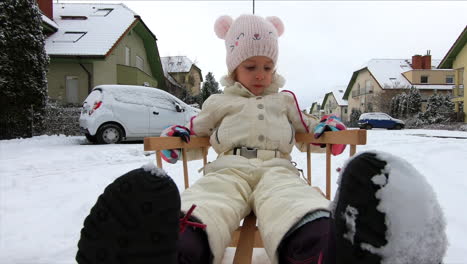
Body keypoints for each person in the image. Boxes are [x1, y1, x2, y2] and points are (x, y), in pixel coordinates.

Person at [76, 15, 447, 264]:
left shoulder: (285, 101)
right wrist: (180, 137)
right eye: (251, 67)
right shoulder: (218, 100)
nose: (260, 74)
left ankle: (326, 250)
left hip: (277, 168)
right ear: (233, 66)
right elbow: (196, 128)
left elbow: (309, 128)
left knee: (292, 201)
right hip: (228, 167)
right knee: (208, 200)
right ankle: (174, 250)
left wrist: (326, 133)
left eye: (267, 67)